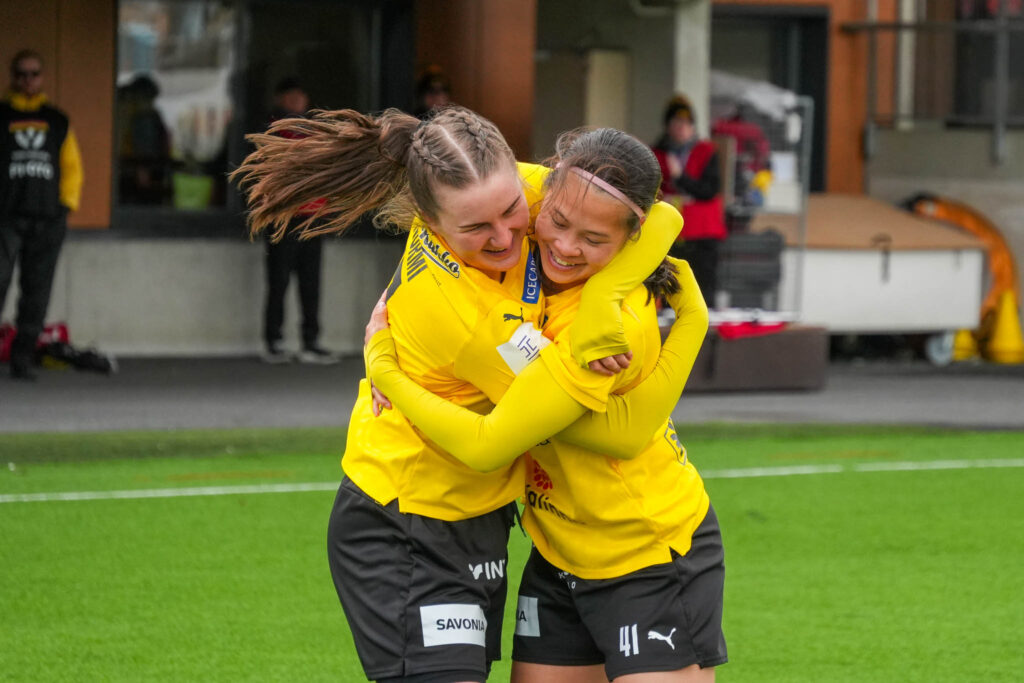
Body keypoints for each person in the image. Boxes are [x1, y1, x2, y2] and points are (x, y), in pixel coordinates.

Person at [233, 106, 691, 683]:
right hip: (407, 519)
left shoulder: (507, 190)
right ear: (427, 218)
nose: (505, 235)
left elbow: (661, 215)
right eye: (476, 228)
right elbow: (555, 434)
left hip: (481, 516)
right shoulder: (465, 315)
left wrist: (606, 295)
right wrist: (385, 370)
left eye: (512, 211)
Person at [364, 128, 724, 682]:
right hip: (556, 550)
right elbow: (666, 218)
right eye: (557, 222)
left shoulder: (609, 331)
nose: (566, 246)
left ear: (631, 239)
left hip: (643, 547)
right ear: (546, 186)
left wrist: (384, 366)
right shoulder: (522, 200)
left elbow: (622, 435)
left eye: (594, 239)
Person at [0, 49, 84, 381]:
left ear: (42, 77)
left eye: (34, 74)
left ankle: (22, 358)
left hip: (47, 218)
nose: (28, 80)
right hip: (5, 218)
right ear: (12, 76)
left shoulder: (57, 120)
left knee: (37, 291)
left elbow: (72, 168)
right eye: (21, 74)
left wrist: (65, 206)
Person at [260, 78, 336, 364]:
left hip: (313, 217)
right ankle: (274, 341)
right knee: (278, 281)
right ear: (280, 98)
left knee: (311, 283)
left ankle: (310, 341)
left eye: (300, 95)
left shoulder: (316, 131)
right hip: (284, 218)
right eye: (290, 95)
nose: (296, 100)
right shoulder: (272, 129)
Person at [652, 95, 726, 309]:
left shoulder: (706, 151)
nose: (682, 129)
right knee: (670, 281)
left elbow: (709, 190)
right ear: (668, 126)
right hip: (670, 229)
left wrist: (680, 178)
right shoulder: (657, 153)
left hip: (702, 229)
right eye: (677, 123)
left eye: (687, 124)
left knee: (703, 281)